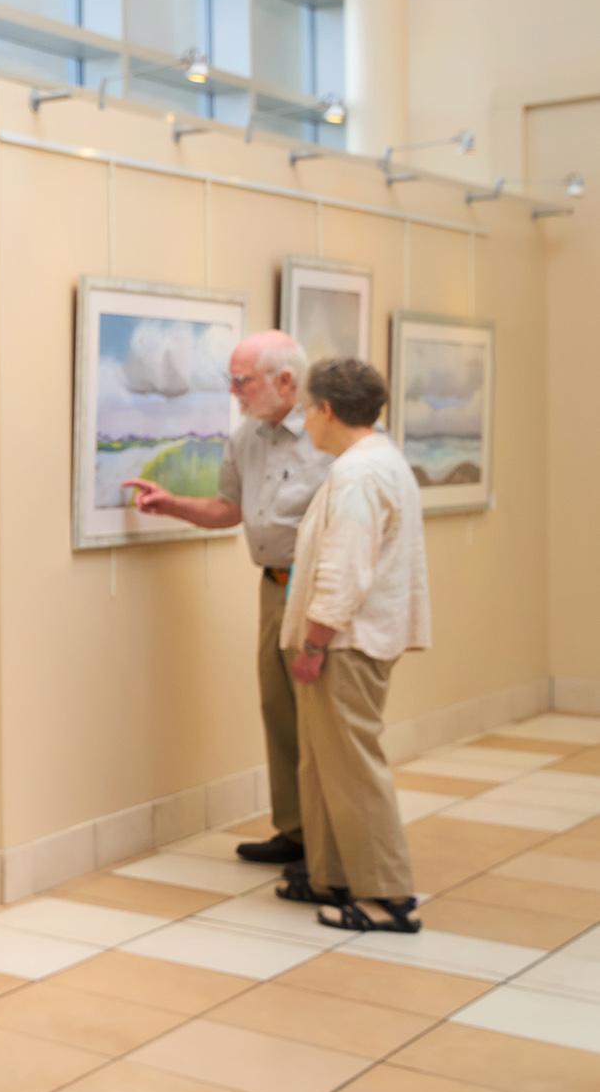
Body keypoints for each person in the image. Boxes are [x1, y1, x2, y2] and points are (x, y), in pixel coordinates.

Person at [123, 331, 330, 868]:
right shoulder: (246, 439)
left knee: (323, 720)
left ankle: (331, 843)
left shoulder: (330, 437)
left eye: (243, 381)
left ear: (286, 382)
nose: (235, 391)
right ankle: (296, 831)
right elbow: (227, 509)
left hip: (318, 590)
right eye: (231, 380)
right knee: (279, 712)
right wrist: (171, 506)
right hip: (273, 589)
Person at [274, 356, 430, 932]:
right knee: (325, 764)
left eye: (307, 409)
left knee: (353, 768)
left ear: (328, 410)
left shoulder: (358, 476)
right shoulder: (375, 463)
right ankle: (331, 874)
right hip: (352, 640)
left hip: (346, 645)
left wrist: (313, 645)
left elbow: (344, 573)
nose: (304, 421)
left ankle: (385, 896)